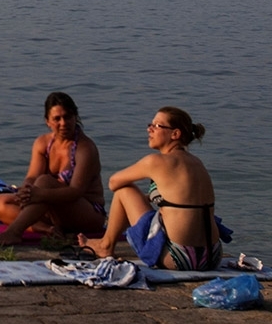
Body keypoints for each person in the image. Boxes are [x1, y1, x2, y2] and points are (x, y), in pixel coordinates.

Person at [79, 107, 225, 270]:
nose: (149, 129)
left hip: (179, 258)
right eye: (151, 124)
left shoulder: (156, 162)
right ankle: (105, 244)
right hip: (212, 256)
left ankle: (105, 245)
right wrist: (149, 197)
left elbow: (114, 182)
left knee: (124, 191)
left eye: (157, 126)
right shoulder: (197, 162)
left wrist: (138, 200)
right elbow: (180, 197)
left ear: (175, 134)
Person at [0, 92, 106, 245]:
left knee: (45, 181)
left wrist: (39, 194)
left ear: (75, 117)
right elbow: (32, 176)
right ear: (48, 122)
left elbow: (76, 191)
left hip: (86, 212)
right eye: (57, 119)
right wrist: (27, 190)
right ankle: (45, 228)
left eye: (68, 117)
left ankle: (14, 232)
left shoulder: (85, 148)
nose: (63, 123)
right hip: (51, 208)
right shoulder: (43, 143)